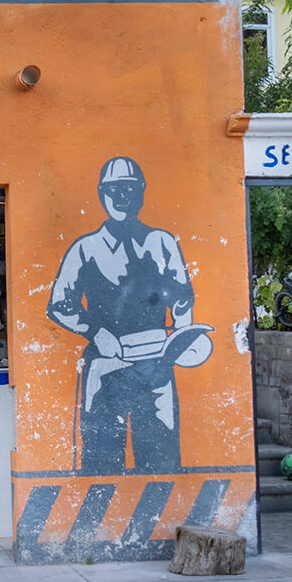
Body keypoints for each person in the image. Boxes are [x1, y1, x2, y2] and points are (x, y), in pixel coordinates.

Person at [47, 156, 211, 475]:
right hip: (106, 364)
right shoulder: (86, 248)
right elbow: (59, 303)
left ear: (141, 192)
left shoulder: (162, 242)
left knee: (161, 455)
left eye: (129, 189)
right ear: (101, 193)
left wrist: (183, 337)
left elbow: (181, 298)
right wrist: (95, 332)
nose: (121, 196)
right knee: (101, 458)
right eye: (114, 189)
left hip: (157, 365)